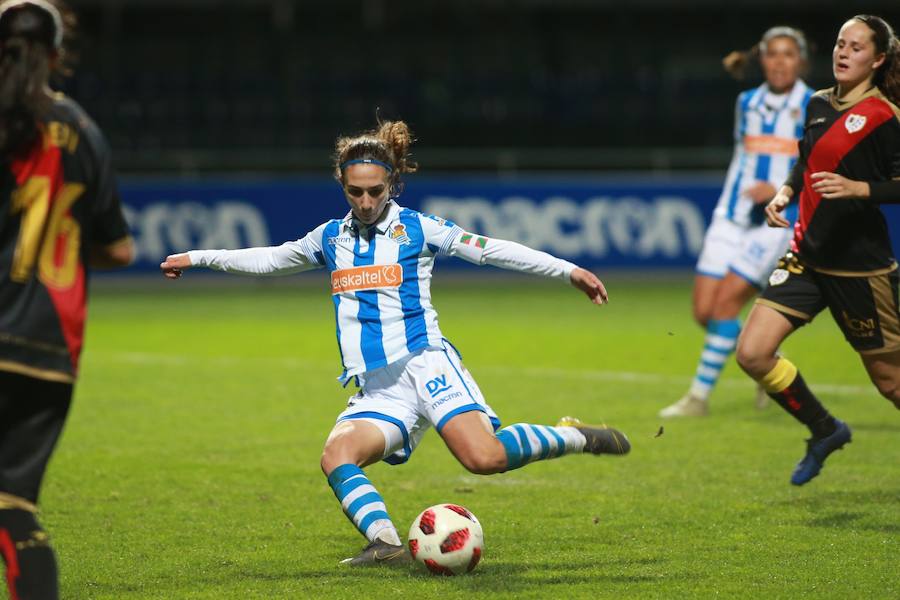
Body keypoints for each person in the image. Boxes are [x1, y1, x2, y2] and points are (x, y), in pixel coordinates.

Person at [160, 119, 631, 565]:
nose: (365, 202)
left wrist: (566, 270)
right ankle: (384, 543)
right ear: (342, 186)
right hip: (380, 387)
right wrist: (198, 256)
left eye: (375, 192)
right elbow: (269, 259)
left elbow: (491, 250)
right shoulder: (329, 239)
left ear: (392, 185)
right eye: (355, 192)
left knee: (484, 458)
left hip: (426, 366)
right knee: (336, 456)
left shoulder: (420, 229)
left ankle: (575, 436)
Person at [0, 1, 134, 598]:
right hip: (49, 351)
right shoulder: (82, 128)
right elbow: (120, 249)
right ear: (58, 54)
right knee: (14, 509)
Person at [736, 14, 900, 486]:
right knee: (752, 353)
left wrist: (859, 189)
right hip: (806, 258)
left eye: (856, 47)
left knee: (891, 384)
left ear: (879, 58)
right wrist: (788, 192)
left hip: (860, 271)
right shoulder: (817, 103)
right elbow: (807, 161)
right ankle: (825, 430)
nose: (843, 53)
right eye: (839, 44)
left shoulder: (886, 115)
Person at [660, 27, 814, 418]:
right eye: (773, 54)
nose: (780, 62)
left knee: (726, 306)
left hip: (776, 220)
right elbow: (743, 158)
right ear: (761, 59)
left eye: (788, 54)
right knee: (703, 313)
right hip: (729, 217)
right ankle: (768, 361)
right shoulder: (746, 102)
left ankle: (697, 398)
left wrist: (780, 189)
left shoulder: (815, 104)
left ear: (801, 61)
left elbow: (814, 167)